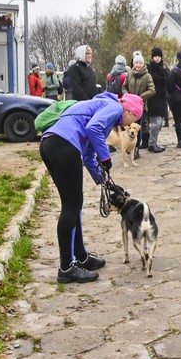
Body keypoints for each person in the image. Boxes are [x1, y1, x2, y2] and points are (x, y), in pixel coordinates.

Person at [40, 92, 145, 284]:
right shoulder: (114, 107)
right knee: (71, 206)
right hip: (64, 145)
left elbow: (88, 154)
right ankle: (66, 268)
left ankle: (80, 257)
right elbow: (93, 128)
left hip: (52, 144)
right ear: (129, 111)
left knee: (74, 205)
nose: (130, 123)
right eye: (135, 117)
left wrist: (105, 180)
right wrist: (106, 158)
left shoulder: (102, 107)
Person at [123, 53, 156, 156]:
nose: (138, 65)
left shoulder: (147, 76)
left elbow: (152, 90)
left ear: (143, 64)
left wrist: (140, 97)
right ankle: (128, 146)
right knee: (128, 127)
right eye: (136, 63)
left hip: (140, 107)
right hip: (129, 107)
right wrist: (127, 96)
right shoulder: (129, 74)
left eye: (140, 63)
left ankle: (136, 148)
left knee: (137, 128)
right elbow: (124, 87)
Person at [145, 47, 170, 153]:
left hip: (162, 98)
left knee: (159, 123)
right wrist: (162, 79)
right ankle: (151, 144)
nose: (157, 58)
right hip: (153, 98)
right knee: (156, 122)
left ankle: (153, 142)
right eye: (155, 56)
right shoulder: (149, 68)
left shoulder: (163, 69)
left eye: (159, 56)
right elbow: (155, 79)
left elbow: (167, 80)